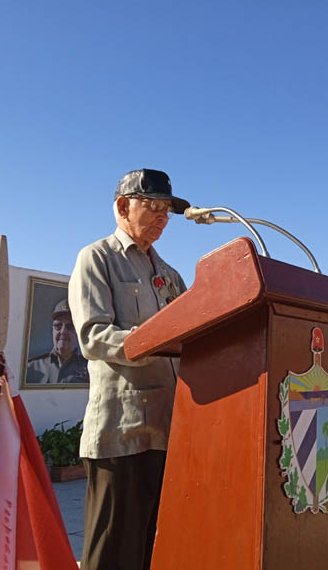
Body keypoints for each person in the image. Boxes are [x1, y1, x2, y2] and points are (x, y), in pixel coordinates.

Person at [68, 168, 189, 570]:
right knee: (112, 551)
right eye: (152, 206)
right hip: (121, 429)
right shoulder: (96, 258)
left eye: (167, 210)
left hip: (168, 428)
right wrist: (156, 339)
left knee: (153, 550)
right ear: (123, 206)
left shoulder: (171, 276)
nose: (162, 217)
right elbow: (93, 336)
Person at [26, 299, 89, 384]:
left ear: (77, 332)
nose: (63, 331)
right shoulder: (31, 368)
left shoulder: (90, 367)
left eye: (70, 326)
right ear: (52, 330)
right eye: (58, 325)